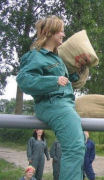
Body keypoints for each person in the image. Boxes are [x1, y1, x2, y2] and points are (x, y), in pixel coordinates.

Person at [17, 15, 86, 180]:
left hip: (64, 104)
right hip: (52, 104)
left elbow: (66, 80)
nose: (63, 34)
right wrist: (53, 81)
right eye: (60, 31)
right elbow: (24, 80)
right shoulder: (36, 56)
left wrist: (79, 71)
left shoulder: (57, 58)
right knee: (75, 148)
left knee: (77, 148)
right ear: (50, 33)